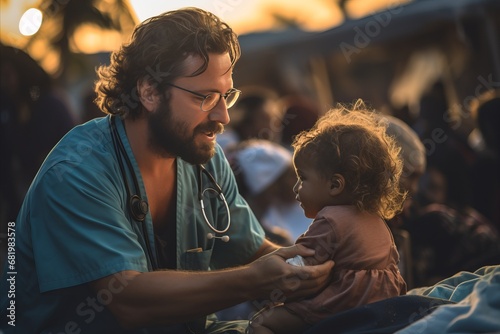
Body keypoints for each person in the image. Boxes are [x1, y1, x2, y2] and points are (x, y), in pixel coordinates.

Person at [0, 8, 334, 334]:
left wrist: (313, 264)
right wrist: (253, 280)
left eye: (226, 96)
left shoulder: (206, 159)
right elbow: (130, 301)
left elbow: (253, 251)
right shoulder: (77, 173)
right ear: (149, 92)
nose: (223, 117)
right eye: (205, 97)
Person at [248, 101, 407, 334]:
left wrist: (268, 283)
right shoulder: (377, 221)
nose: (296, 189)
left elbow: (300, 270)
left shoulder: (330, 220)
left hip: (341, 306)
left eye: (302, 179)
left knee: (261, 323)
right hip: (382, 307)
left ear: (335, 184)